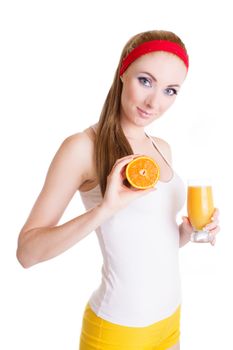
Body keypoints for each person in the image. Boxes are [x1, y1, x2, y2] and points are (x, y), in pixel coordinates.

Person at [17, 29, 220, 350]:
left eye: (170, 90)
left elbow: (143, 244)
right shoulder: (82, 148)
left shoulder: (162, 148)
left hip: (170, 321)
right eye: (146, 81)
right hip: (118, 332)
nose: (155, 102)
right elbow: (27, 253)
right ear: (123, 72)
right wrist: (105, 209)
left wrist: (187, 233)